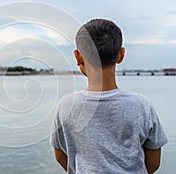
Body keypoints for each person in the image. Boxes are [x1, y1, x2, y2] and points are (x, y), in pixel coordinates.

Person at [50, 19, 168, 173]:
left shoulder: (65, 106)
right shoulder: (142, 106)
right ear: (121, 55)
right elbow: (153, 163)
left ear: (78, 57)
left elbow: (60, 156)